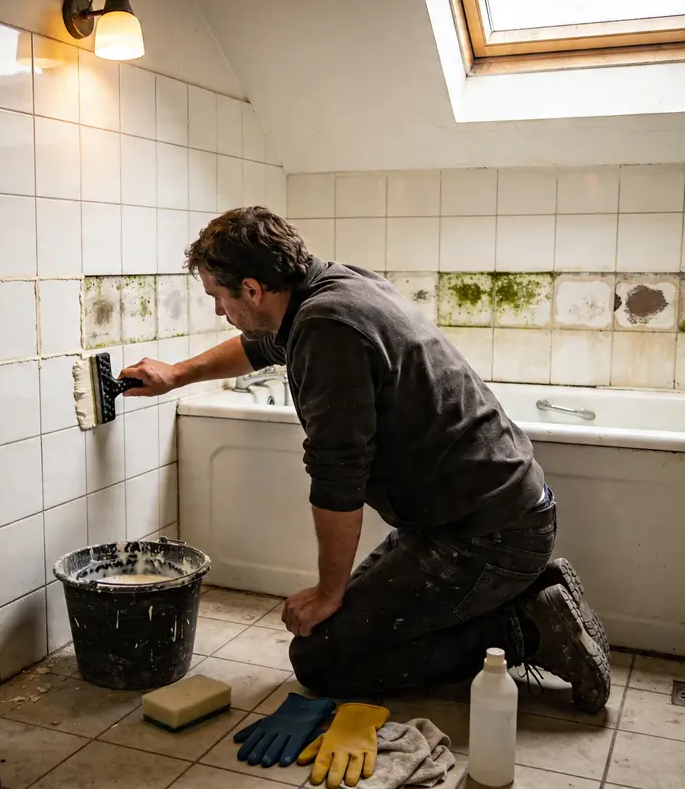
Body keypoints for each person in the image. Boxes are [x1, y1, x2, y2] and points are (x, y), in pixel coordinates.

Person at [120, 206, 610, 711]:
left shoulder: (327, 327)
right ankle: (523, 599)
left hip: (486, 535)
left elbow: (338, 477)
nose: (219, 311)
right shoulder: (333, 285)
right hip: (476, 515)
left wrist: (329, 591)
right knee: (353, 632)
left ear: (251, 289)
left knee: (325, 660)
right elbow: (262, 345)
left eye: (217, 297)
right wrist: (176, 375)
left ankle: (526, 627)